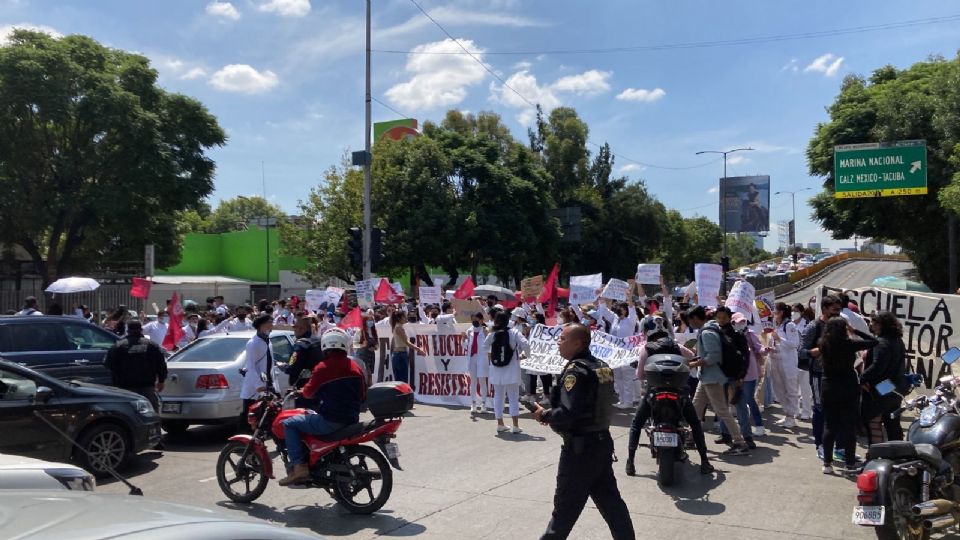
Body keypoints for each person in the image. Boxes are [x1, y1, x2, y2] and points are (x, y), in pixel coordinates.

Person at [532, 324, 634, 540]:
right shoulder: (602, 366)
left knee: (564, 511)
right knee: (612, 505)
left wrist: (545, 415)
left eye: (562, 338)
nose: (558, 343)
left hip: (580, 451)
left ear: (578, 343)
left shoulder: (576, 372)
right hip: (600, 444)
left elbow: (569, 413)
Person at [626, 316, 714, 476]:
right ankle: (704, 461)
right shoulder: (677, 346)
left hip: (654, 393)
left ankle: (630, 463)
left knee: (637, 424)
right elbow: (691, 356)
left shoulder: (645, 349)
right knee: (694, 423)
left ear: (647, 331)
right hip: (678, 393)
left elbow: (639, 375)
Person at [279, 329, 366, 486]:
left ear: (325, 346)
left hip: (331, 420)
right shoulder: (355, 366)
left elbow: (309, 393)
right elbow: (362, 394)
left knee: (289, 424)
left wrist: (300, 392)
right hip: (352, 418)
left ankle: (299, 467)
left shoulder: (323, 367)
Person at [687, 306, 750, 455]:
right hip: (705, 377)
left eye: (690, 321)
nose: (690, 324)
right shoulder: (711, 329)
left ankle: (739, 442)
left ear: (696, 319)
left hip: (712, 378)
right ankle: (691, 438)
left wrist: (694, 364)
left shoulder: (708, 333)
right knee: (696, 407)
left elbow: (713, 357)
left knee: (722, 411)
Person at [819, 316, 877, 474]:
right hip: (848, 385)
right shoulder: (850, 344)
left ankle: (827, 463)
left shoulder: (823, 343)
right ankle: (849, 462)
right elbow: (874, 341)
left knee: (830, 425)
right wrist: (855, 331)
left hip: (828, 385)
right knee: (849, 426)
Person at [799, 295, 843, 460]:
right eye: (834, 310)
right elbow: (801, 351)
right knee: (820, 409)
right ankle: (821, 445)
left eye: (839, 310)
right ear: (824, 309)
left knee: (837, 411)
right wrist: (814, 352)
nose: (838, 313)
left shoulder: (840, 325)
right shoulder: (814, 326)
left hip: (838, 374)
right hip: (819, 375)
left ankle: (839, 448)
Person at [860, 311, 907, 444]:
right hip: (894, 385)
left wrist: (861, 379)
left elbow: (877, 366)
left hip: (880, 387)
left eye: (872, 322)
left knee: (873, 421)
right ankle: (897, 453)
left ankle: (876, 454)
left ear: (879, 325)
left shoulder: (882, 343)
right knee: (892, 421)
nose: (870, 324)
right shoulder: (897, 340)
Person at [104, 320, 167, 411]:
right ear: (141, 330)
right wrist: (161, 380)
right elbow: (161, 364)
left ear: (128, 330)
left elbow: (108, 364)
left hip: (125, 388)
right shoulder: (152, 345)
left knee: (126, 414)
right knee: (151, 414)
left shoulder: (119, 346)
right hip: (147, 387)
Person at [485, 311, 527, 434]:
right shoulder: (514, 332)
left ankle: (500, 424)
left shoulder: (492, 334)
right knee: (513, 396)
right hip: (511, 368)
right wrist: (525, 355)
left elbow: (484, 347)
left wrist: (491, 355)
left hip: (496, 368)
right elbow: (526, 344)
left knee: (498, 396)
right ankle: (515, 426)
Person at [238, 314, 278, 430]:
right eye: (269, 322)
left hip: (267, 385)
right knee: (251, 418)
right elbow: (250, 366)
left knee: (266, 418)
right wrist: (258, 385)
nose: (272, 324)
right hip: (255, 388)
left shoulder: (267, 340)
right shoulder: (253, 343)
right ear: (262, 325)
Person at [768, 302, 801, 429]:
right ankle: (787, 413)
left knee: (790, 389)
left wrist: (779, 339)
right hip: (775, 360)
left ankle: (792, 416)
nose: (773, 314)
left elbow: (795, 343)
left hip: (787, 362)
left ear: (781, 312)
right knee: (778, 389)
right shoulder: (776, 325)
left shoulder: (789, 325)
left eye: (775, 312)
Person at [389, 311, 426, 384]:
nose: (406, 318)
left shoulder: (395, 326)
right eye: (404, 317)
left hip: (398, 355)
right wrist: (418, 349)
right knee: (403, 380)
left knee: (399, 379)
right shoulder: (399, 328)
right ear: (399, 318)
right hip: (400, 355)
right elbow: (406, 342)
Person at [466, 311, 490, 415]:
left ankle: (484, 404)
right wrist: (463, 340)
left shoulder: (486, 330)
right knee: (473, 381)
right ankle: (473, 403)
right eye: (473, 319)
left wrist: (486, 334)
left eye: (476, 319)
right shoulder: (469, 330)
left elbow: (489, 345)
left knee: (482, 381)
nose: (474, 321)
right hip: (472, 358)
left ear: (481, 320)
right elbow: (466, 346)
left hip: (482, 358)